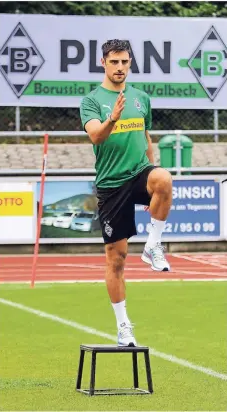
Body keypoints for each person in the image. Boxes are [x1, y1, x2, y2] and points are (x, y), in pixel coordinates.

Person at [80, 39, 172, 347]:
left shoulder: (141, 97)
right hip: (111, 185)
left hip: (138, 173)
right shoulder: (91, 101)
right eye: (114, 62)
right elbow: (95, 136)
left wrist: (152, 185)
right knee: (116, 259)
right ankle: (123, 327)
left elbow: (145, 136)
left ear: (130, 63)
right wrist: (112, 119)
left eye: (125, 62)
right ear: (103, 63)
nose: (120, 67)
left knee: (164, 179)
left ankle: (153, 247)